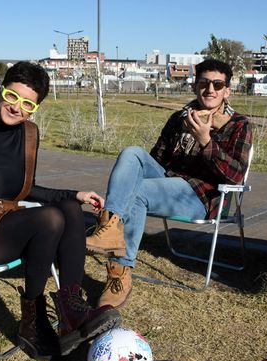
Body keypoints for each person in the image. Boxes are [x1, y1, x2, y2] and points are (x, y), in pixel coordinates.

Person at [0, 61, 120, 360]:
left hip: (9, 223)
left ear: (34, 109)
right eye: (12, 96)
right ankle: (32, 322)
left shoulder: (30, 134)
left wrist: (75, 195)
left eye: (27, 104)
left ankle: (71, 310)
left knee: (68, 208)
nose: (16, 107)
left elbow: (26, 189)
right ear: (1, 92)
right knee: (49, 218)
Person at [86, 59, 252, 307]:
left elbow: (235, 175)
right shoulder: (180, 118)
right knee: (132, 153)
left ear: (227, 91)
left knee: (138, 192)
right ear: (195, 87)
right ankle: (110, 228)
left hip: (200, 196)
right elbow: (156, 160)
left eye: (218, 84)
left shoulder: (238, 125)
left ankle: (119, 273)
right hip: (167, 183)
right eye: (204, 83)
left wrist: (206, 141)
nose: (210, 89)